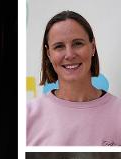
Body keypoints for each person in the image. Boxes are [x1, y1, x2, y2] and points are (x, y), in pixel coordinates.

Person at [27, 10, 121, 146]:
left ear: (93, 47)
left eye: (77, 43)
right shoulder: (27, 116)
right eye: (59, 46)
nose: (69, 55)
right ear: (49, 54)